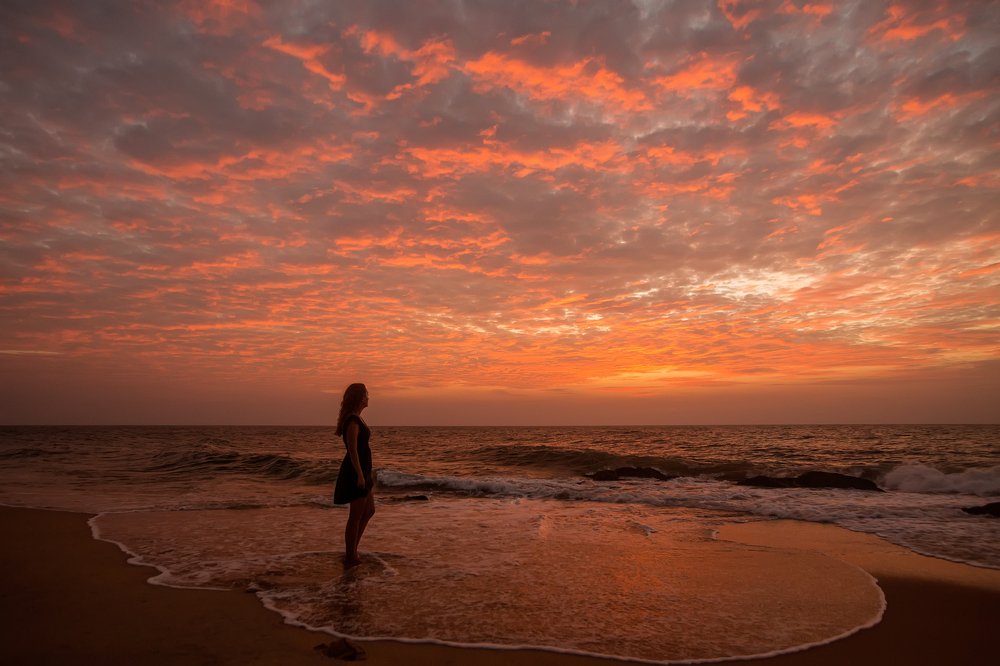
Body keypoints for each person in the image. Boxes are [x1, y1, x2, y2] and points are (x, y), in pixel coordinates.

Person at [333, 383, 374, 568]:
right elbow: (352, 449)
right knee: (356, 515)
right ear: (359, 398)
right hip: (355, 471)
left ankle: (352, 551)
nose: (368, 398)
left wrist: (366, 473)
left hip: (364, 470)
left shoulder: (357, 418)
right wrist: (359, 474)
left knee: (369, 510)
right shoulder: (352, 421)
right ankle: (350, 556)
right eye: (366, 395)